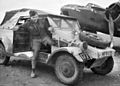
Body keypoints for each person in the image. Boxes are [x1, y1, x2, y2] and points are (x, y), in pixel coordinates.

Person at [20, 10, 54, 78]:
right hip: (35, 39)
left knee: (53, 44)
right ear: (30, 18)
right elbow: (21, 27)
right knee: (35, 53)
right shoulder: (27, 23)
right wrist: (16, 28)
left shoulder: (43, 21)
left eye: (36, 17)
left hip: (44, 37)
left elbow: (49, 27)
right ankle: (33, 71)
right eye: (33, 17)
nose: (35, 18)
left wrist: (50, 28)